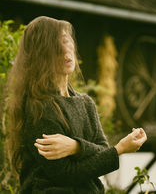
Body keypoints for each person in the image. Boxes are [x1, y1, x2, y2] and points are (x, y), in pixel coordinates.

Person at [5, 16, 147, 194]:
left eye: (66, 40)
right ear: (41, 54)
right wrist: (119, 150)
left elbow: (102, 150)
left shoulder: (85, 103)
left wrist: (76, 147)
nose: (65, 50)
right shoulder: (39, 107)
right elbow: (66, 174)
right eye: (55, 45)